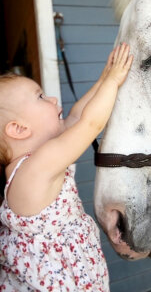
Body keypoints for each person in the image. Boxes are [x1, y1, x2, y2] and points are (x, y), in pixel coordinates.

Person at [0, 43, 133, 290]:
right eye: (40, 97)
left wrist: (104, 77)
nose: (52, 99)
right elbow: (90, 124)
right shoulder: (34, 171)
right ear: (19, 129)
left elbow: (77, 118)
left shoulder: (40, 160)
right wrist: (112, 83)